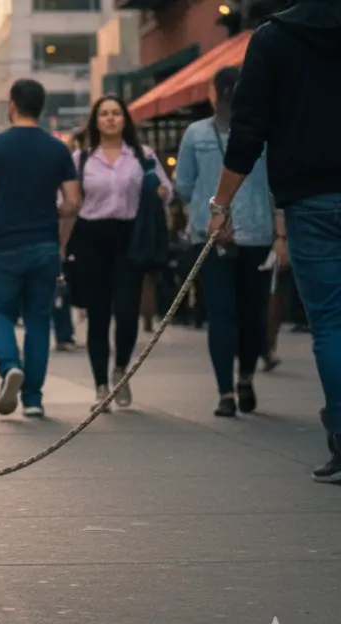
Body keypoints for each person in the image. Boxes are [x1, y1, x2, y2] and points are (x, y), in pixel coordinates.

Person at [208, 0, 341, 483]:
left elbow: (247, 131)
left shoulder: (272, 39)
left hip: (308, 200)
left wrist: (221, 203)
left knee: (328, 321)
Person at [0, 79, 82, 418]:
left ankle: (10, 366)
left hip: (3, 244)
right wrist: (60, 238)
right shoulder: (58, 149)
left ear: (12, 106)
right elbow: (73, 202)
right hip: (43, 244)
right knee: (39, 320)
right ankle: (33, 399)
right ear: (41, 108)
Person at [176, 66, 278, 418]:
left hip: (210, 235)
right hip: (258, 233)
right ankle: (244, 379)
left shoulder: (195, 134)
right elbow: (276, 186)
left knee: (222, 315)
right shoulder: (264, 132)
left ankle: (225, 394)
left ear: (212, 94)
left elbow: (184, 187)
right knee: (252, 314)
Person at [67, 94, 173, 409]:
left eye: (116, 113)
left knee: (127, 312)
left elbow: (167, 193)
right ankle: (100, 385)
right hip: (92, 238)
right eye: (104, 114)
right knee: (98, 314)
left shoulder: (143, 155)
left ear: (125, 119)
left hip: (131, 236)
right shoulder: (81, 159)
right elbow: (68, 201)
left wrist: (162, 191)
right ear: (95, 121)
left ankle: (121, 371)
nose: (111, 119)